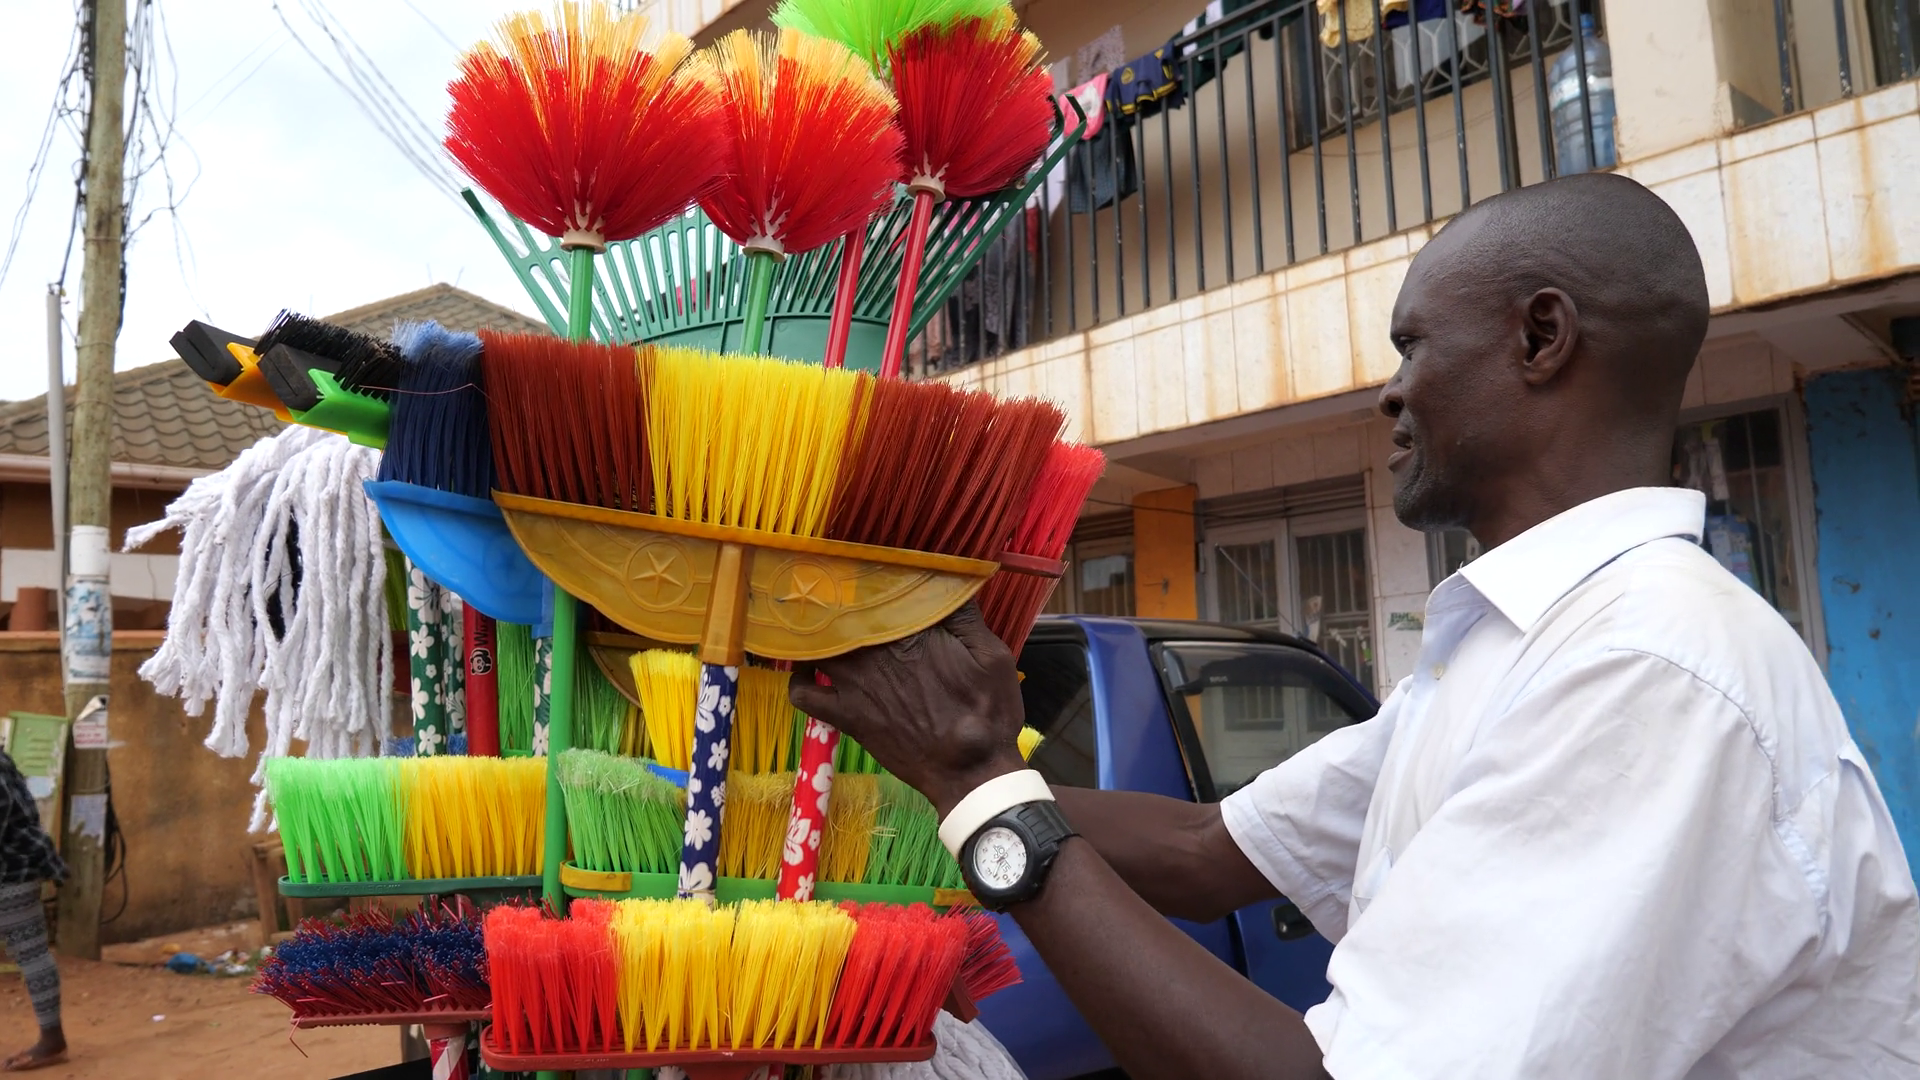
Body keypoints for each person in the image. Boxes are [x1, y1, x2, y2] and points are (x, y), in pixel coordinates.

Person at [792, 172, 1920, 1079]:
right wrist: (904, 775)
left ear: (1542, 337)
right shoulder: (1510, 648)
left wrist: (980, 787)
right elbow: (1203, 852)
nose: (1390, 392)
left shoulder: (1645, 667)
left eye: (1412, 346)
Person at [0, 748, 65, 1073]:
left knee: (32, 954)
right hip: (17, 867)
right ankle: (52, 1038)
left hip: (11, 872)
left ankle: (52, 1041)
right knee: (33, 954)